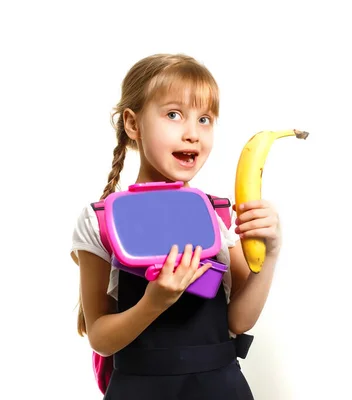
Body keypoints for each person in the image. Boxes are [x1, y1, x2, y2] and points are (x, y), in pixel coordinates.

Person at [70, 53, 283, 399]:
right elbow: (101, 338)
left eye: (205, 119)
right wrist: (154, 302)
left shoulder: (218, 214)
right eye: (173, 115)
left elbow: (239, 321)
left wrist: (270, 254)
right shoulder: (99, 220)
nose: (192, 134)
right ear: (132, 124)